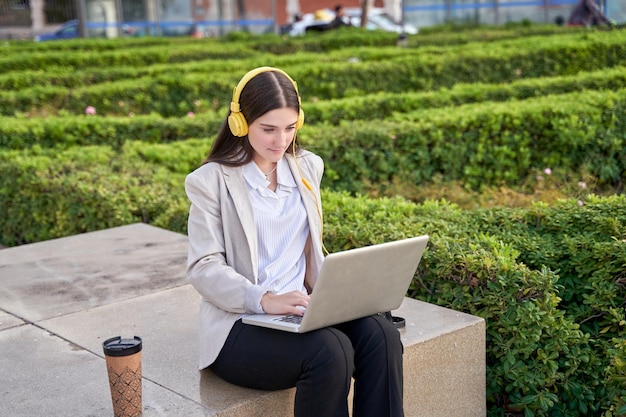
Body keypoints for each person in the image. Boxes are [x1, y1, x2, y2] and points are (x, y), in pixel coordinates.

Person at [184, 67, 404, 417]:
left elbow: (308, 251)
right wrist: (265, 299)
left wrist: (340, 295)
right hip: (241, 324)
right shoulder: (211, 182)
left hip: (302, 309)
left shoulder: (306, 168)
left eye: (289, 128)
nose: (280, 140)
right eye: (268, 129)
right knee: (330, 352)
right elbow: (203, 268)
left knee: (381, 334)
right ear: (240, 124)